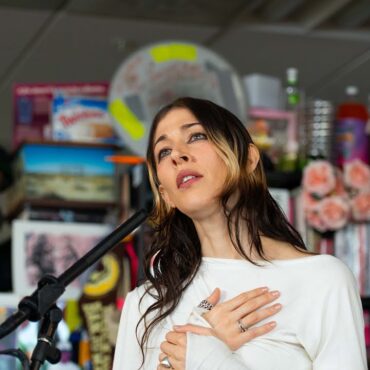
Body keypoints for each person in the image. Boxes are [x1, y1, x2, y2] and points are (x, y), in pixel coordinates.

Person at [112, 97, 366, 370]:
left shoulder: (322, 280)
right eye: (164, 151)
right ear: (165, 195)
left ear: (248, 160)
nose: (177, 155)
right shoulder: (144, 306)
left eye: (196, 136)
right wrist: (203, 334)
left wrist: (211, 359)